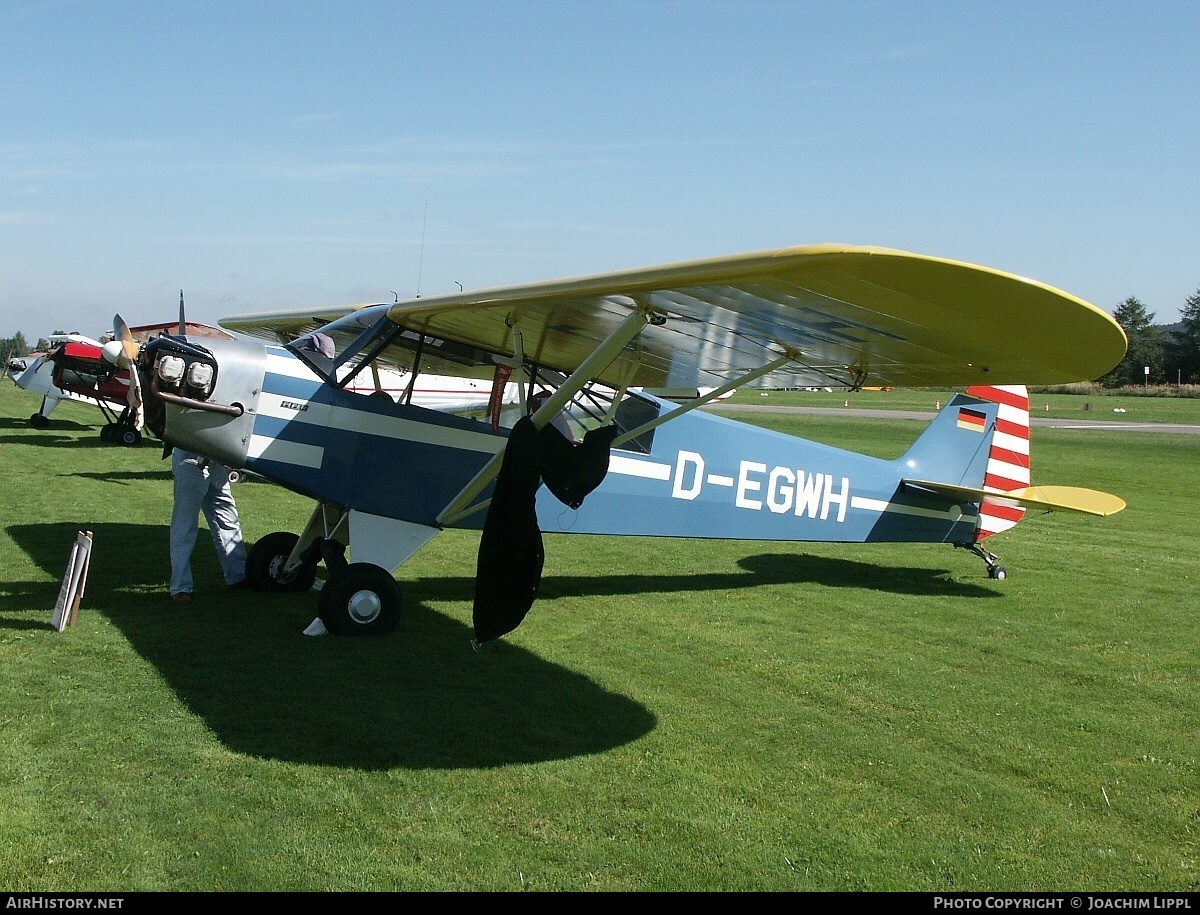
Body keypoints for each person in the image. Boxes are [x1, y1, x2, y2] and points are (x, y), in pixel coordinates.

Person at [169, 448, 248, 601]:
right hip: (191, 458)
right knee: (185, 526)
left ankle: (238, 575)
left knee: (228, 519)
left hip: (214, 459)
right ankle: (180, 587)